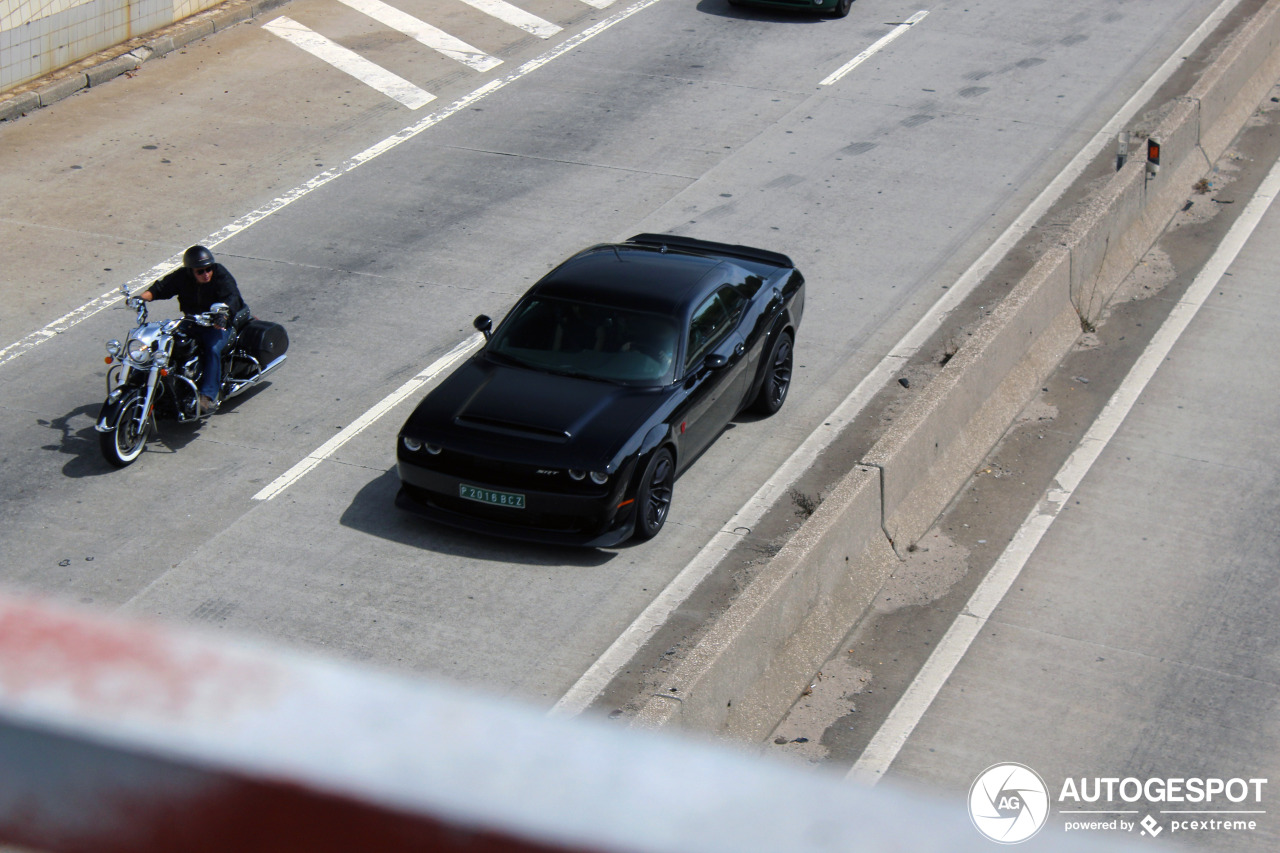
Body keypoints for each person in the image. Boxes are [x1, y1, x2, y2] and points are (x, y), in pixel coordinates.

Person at [140, 246, 247, 414]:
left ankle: (208, 396)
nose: (206, 274)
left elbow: (232, 297)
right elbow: (160, 288)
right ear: (191, 271)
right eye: (200, 271)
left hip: (218, 323)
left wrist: (223, 314)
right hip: (193, 321)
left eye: (208, 269)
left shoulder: (220, 274)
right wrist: (141, 299)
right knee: (167, 342)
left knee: (212, 349)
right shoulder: (182, 276)